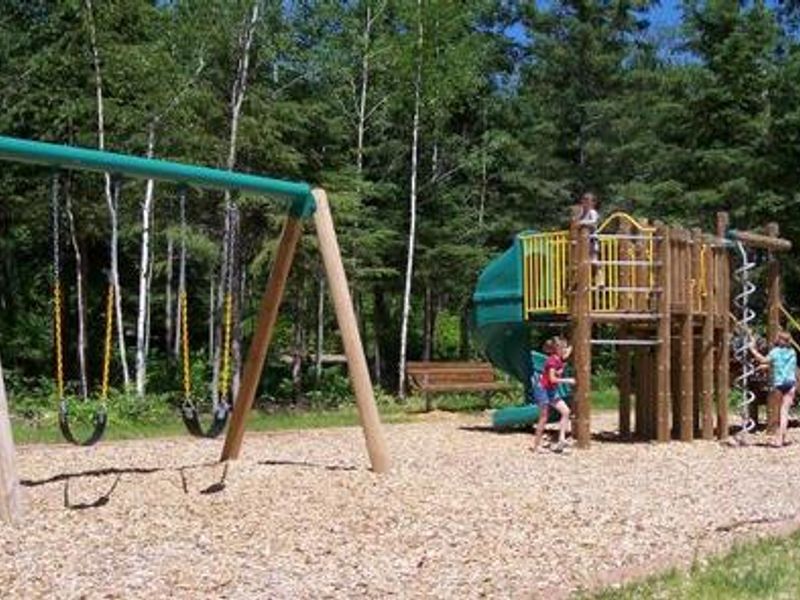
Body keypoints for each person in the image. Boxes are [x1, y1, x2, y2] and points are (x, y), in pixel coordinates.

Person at [749, 330, 797, 448]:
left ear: (780, 340)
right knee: (784, 412)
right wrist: (767, 366)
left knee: (778, 411)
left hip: (779, 384)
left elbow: (763, 359)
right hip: (791, 383)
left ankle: (779, 439)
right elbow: (783, 365)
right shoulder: (792, 352)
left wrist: (753, 350)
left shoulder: (775, 352)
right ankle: (782, 438)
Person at [531, 337, 575, 454]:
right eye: (563, 348)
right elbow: (552, 379)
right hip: (542, 390)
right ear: (558, 349)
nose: (565, 350)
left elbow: (567, 354)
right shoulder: (552, 361)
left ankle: (561, 439)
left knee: (566, 411)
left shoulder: (559, 358)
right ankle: (536, 446)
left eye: (565, 348)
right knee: (544, 417)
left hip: (550, 390)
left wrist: (574, 341)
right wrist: (568, 380)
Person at [576, 192, 602, 286]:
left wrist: (582, 222)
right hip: (583, 241)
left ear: (592, 203)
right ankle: (580, 281)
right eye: (584, 200)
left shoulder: (592, 212)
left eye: (588, 200)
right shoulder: (582, 213)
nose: (585, 203)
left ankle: (599, 279)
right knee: (582, 261)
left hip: (591, 239)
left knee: (594, 260)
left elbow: (594, 222)